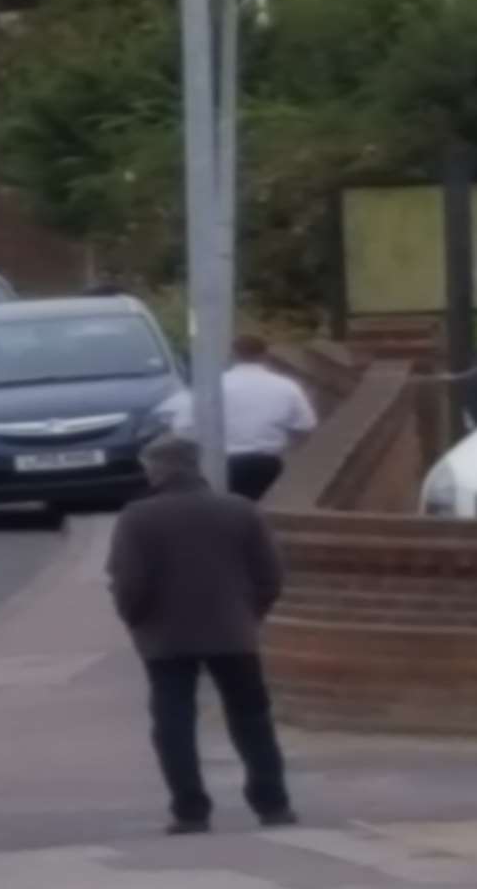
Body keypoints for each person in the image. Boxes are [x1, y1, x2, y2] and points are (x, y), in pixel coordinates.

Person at [108, 434, 295, 836]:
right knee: (251, 719)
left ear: (155, 470)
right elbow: (271, 576)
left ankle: (190, 810)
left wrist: (135, 619)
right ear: (196, 466)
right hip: (233, 631)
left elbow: (128, 582)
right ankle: (273, 803)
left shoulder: (137, 517)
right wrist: (249, 614)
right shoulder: (240, 511)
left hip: (164, 637)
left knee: (173, 723)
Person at [164, 334, 319, 501]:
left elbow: (183, 427)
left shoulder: (213, 385)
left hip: (223, 463)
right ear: (265, 356)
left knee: (225, 510)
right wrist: (287, 447)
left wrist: (206, 444)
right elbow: (306, 425)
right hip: (268, 464)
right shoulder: (286, 386)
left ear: (233, 355)